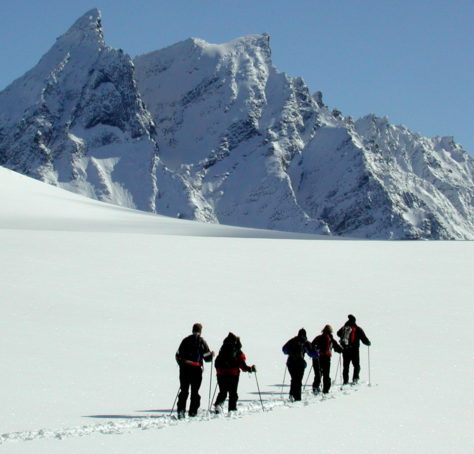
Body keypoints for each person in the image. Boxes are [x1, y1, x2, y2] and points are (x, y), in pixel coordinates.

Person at [175, 323, 214, 418]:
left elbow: (177, 355)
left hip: (185, 369)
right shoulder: (201, 341)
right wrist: (211, 355)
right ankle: (193, 411)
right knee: (195, 391)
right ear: (200, 331)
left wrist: (182, 365)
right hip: (196, 369)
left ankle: (181, 411)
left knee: (184, 390)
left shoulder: (185, 340)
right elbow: (207, 358)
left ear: (192, 330)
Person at [213, 332, 256, 413]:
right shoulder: (237, 351)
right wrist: (250, 369)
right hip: (233, 374)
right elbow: (242, 366)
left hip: (221, 374)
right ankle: (232, 409)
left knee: (223, 392)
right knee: (233, 393)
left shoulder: (223, 349)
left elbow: (217, 363)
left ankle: (218, 405)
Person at [282, 328, 316, 401]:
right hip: (300, 363)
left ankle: (291, 394)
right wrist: (317, 353)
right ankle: (297, 398)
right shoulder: (305, 342)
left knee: (294, 379)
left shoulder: (292, 340)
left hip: (290, 363)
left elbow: (284, 350)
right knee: (298, 380)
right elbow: (312, 353)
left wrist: (290, 352)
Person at [337, 314, 371, 385]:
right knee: (356, 365)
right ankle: (355, 379)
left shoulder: (344, 327)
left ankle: (345, 381)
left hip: (345, 349)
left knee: (346, 366)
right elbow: (364, 339)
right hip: (355, 350)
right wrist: (368, 343)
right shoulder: (358, 329)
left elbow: (338, 333)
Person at [311, 325, 342, 394]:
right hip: (326, 358)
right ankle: (326, 390)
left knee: (318, 374)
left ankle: (315, 387)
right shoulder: (331, 339)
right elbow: (338, 348)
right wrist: (341, 350)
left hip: (316, 358)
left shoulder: (318, 337)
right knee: (326, 374)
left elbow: (311, 346)